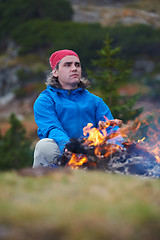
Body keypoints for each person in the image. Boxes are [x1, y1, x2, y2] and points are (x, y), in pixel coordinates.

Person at [33, 49, 123, 168]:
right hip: (61, 153)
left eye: (77, 65)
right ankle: (46, 182)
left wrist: (119, 147)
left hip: (92, 154)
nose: (74, 68)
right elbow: (52, 128)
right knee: (44, 145)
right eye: (67, 65)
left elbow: (111, 129)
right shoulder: (45, 100)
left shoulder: (95, 101)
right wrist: (68, 146)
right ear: (55, 72)